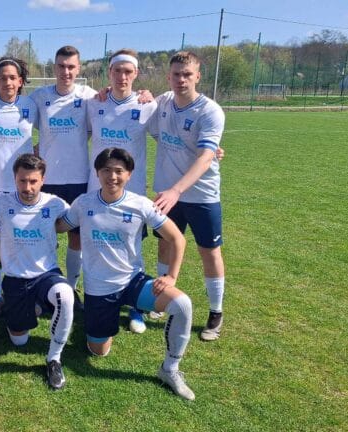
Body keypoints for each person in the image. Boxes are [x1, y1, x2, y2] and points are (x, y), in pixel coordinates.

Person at [58, 147, 196, 400]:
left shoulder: (141, 205)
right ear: (97, 173)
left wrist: (171, 276)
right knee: (98, 351)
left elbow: (177, 238)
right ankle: (91, 323)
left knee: (183, 305)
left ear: (129, 174)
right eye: (106, 170)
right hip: (98, 290)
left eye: (119, 171)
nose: (113, 176)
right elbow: (59, 225)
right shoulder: (84, 203)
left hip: (134, 282)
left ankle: (170, 369)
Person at [150, 51, 226, 342]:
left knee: (209, 251)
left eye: (187, 74)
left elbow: (206, 157)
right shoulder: (162, 103)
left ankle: (216, 311)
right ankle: (162, 298)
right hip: (167, 195)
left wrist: (177, 189)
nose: (181, 79)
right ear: (168, 76)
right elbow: (157, 134)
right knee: (165, 247)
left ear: (198, 76)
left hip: (201, 195)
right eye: (176, 74)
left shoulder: (210, 111)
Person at [0, 153, 75, 390]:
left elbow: (73, 222)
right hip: (15, 280)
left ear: (42, 180)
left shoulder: (54, 203)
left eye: (33, 181)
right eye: (22, 181)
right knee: (18, 341)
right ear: (15, 179)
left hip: (46, 275)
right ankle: (17, 307)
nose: (28, 187)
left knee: (64, 296)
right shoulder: (0, 203)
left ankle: (54, 359)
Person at [86, 49, 158, 333]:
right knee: (96, 245)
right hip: (98, 191)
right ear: (110, 73)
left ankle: (135, 308)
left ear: (136, 74)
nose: (123, 77)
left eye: (128, 72)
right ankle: (91, 296)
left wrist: (213, 149)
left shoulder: (148, 106)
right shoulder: (95, 104)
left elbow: (170, 136)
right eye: (118, 71)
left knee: (132, 249)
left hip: (133, 194)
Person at [29, 45, 97, 300]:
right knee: (44, 234)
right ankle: (41, 284)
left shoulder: (90, 97)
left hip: (79, 177)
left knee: (76, 237)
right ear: (54, 67)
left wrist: (144, 94)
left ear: (78, 69)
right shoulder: (39, 97)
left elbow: (105, 115)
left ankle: (70, 287)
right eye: (61, 66)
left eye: (71, 67)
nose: (66, 71)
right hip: (46, 179)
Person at [0, 56, 39, 314]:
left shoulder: (32, 105)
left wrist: (35, 153)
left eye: (12, 77)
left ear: (21, 81)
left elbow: (51, 135)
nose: (7, 81)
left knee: (25, 240)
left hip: (23, 186)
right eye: (2, 77)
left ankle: (28, 290)